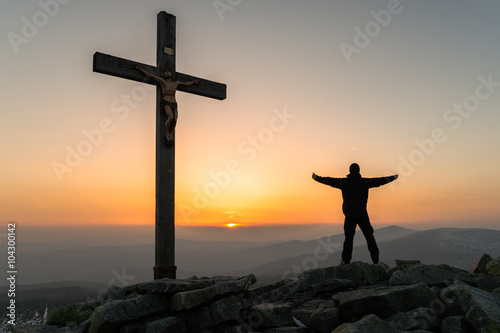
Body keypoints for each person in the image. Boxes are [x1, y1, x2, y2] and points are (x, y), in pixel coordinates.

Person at [312, 163, 398, 265]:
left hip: (350, 215)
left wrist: (317, 178)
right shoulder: (364, 182)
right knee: (369, 236)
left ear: (350, 171)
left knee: (349, 238)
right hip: (362, 214)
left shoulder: (345, 182)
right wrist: (392, 177)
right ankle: (375, 259)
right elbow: (379, 181)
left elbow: (330, 181)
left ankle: (345, 260)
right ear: (358, 171)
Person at [135, 65, 200, 145]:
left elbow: (186, 84)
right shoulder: (163, 81)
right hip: (166, 101)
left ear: (171, 74)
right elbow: (150, 75)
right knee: (171, 117)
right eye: (166, 72)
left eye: (169, 72)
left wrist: (193, 82)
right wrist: (140, 69)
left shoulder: (176, 83)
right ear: (164, 74)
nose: (167, 73)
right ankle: (167, 134)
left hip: (174, 103)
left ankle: (170, 134)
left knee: (175, 119)